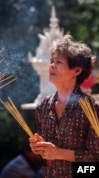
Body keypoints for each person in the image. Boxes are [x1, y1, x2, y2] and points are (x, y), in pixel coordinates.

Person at [29, 35, 99, 178]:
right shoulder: (43, 107)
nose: (52, 66)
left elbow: (95, 159)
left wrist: (59, 153)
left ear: (76, 71)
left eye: (59, 62)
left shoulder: (92, 108)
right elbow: (45, 160)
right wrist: (39, 148)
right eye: (52, 61)